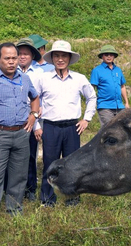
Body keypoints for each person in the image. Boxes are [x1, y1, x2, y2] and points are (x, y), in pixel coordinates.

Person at [0, 43, 40, 216]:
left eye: (14, 58)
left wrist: (33, 114)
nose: (12, 62)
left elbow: (35, 97)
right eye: (7, 58)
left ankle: (14, 210)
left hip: (21, 133)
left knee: (19, 176)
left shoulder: (24, 78)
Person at [34, 40, 96, 206]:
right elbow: (32, 100)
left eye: (63, 56)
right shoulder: (43, 78)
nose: (60, 59)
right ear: (52, 58)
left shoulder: (79, 79)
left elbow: (91, 97)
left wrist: (86, 119)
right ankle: (47, 199)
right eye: (57, 56)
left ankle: (72, 198)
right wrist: (37, 125)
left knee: (72, 165)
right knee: (50, 164)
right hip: (50, 127)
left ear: (69, 58)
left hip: (72, 127)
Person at [16, 37, 43, 201]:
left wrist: (37, 123)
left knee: (31, 154)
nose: (22, 57)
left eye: (26, 54)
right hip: (14, 121)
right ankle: (13, 188)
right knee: (14, 156)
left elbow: (42, 99)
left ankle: (30, 188)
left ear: (32, 56)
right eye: (20, 53)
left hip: (33, 121)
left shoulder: (40, 74)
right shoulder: (10, 71)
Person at [90, 44, 129, 126]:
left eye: (111, 54)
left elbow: (122, 86)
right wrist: (91, 104)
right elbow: (91, 88)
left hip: (119, 106)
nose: (109, 56)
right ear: (102, 56)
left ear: (114, 56)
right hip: (105, 106)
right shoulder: (97, 70)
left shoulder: (118, 70)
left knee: (122, 129)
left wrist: (126, 103)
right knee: (108, 129)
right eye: (106, 54)